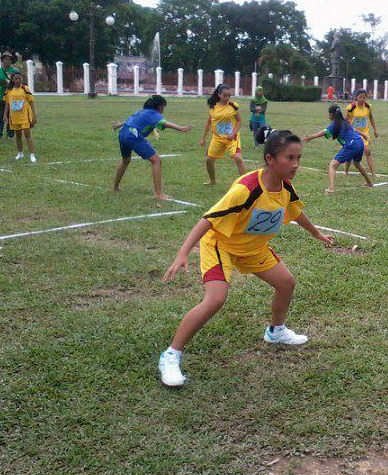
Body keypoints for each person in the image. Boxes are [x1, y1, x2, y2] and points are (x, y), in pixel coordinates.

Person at [158, 130, 335, 387]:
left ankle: (275, 332)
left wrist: (317, 234)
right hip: (222, 245)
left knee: (286, 283)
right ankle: (171, 355)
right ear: (270, 159)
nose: (295, 164)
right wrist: (183, 253)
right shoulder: (246, 188)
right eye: (289, 158)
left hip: (253, 249)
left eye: (298, 158)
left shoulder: (285, 187)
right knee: (215, 299)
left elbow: (295, 213)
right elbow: (207, 219)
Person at [112, 95, 193, 199]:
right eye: (164, 107)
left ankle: (115, 187)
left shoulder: (142, 111)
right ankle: (158, 194)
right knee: (156, 160)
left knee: (125, 160)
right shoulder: (154, 113)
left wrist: (119, 124)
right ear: (159, 106)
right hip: (133, 135)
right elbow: (165, 123)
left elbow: (132, 121)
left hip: (123, 132)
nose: (163, 109)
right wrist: (182, 128)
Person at [303, 105, 373, 194]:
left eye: (329, 114)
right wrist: (364, 135)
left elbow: (323, 133)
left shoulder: (335, 124)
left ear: (331, 114)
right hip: (360, 142)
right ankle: (369, 182)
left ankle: (331, 188)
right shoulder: (344, 122)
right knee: (357, 163)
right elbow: (354, 130)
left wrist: (310, 138)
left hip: (352, 144)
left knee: (332, 166)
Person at [201, 84, 247, 185]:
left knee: (237, 157)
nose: (227, 98)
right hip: (217, 138)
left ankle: (246, 184)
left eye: (229, 96)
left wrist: (233, 133)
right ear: (219, 95)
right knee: (209, 160)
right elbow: (209, 122)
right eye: (225, 95)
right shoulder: (213, 106)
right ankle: (212, 181)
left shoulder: (233, 106)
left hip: (232, 138)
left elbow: (239, 121)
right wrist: (203, 138)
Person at [3, 72, 37, 163]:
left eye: (19, 78)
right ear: (13, 80)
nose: (18, 80)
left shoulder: (25, 89)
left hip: (24, 115)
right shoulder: (9, 90)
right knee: (18, 135)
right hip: (14, 116)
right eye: (16, 79)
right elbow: (7, 103)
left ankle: (32, 154)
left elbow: (31, 102)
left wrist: (34, 115)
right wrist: (5, 115)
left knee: (27, 134)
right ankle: (20, 153)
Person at [344, 89, 379, 178]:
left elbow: (371, 118)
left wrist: (375, 130)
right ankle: (346, 170)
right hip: (353, 133)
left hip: (364, 133)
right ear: (356, 97)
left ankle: (373, 173)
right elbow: (346, 121)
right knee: (350, 153)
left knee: (367, 151)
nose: (362, 99)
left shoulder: (367, 107)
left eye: (364, 97)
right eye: (360, 97)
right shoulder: (351, 107)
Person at [0, 51, 19, 140]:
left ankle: (10, 134)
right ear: (2, 60)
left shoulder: (15, 71)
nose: (7, 61)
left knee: (11, 116)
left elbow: (18, 84)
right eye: (5, 59)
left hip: (12, 98)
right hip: (0, 97)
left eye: (9, 59)